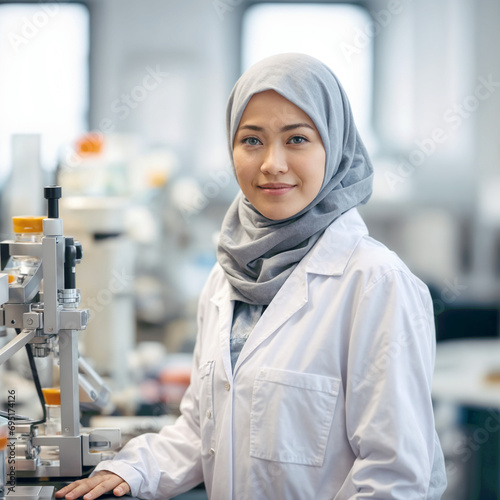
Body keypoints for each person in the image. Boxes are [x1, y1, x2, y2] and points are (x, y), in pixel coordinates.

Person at [56, 53, 447, 500]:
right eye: (252, 140)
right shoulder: (229, 276)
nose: (272, 164)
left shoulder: (377, 284)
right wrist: (135, 471)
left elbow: (394, 478)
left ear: (335, 148)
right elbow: (201, 429)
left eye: (297, 139)